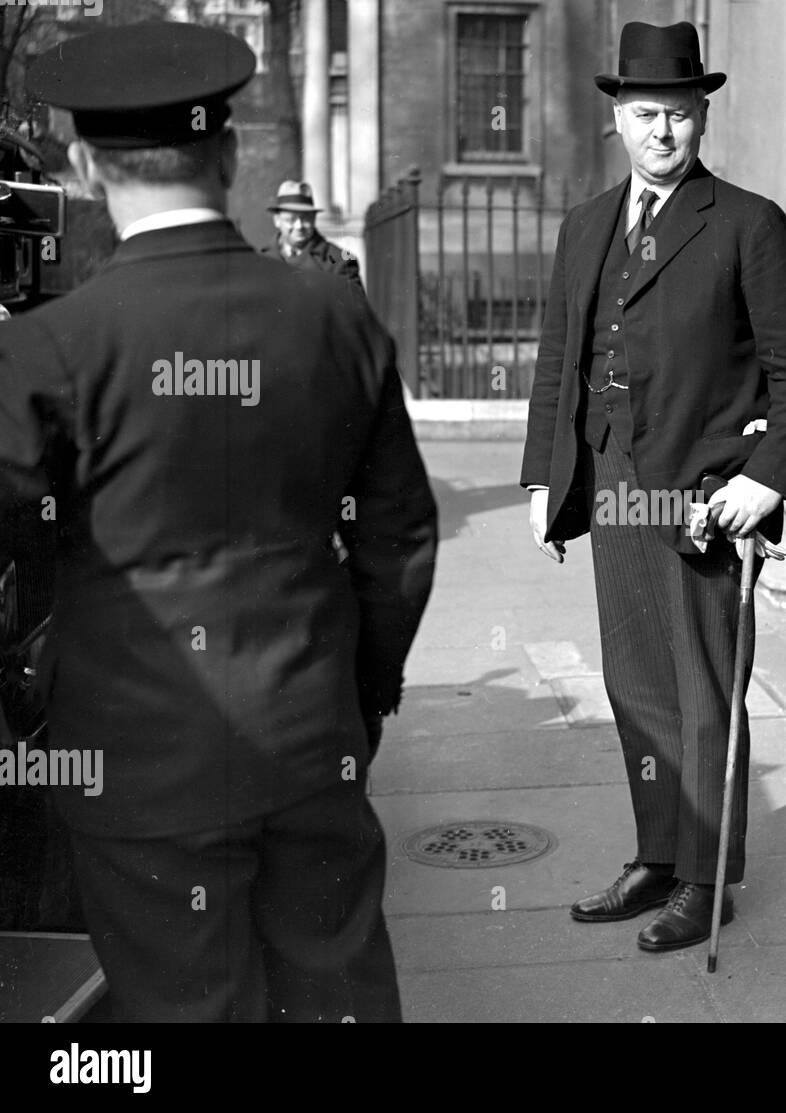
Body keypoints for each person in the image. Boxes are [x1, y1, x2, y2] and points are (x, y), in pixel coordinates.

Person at [0, 21, 437, 1020]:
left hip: (134, 757)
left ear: (81, 162)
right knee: (337, 996)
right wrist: (355, 696)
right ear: (231, 154)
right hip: (306, 726)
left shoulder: (49, 349)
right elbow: (400, 539)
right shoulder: (332, 319)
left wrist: (33, 702)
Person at [521, 20, 786, 952]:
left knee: (701, 687)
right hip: (611, 480)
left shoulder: (747, 224)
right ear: (618, 117)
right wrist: (545, 476)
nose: (664, 131)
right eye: (648, 112)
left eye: (682, 114)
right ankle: (659, 853)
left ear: (702, 119)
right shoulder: (585, 228)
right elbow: (556, 364)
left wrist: (767, 481)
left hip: (701, 491)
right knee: (635, 680)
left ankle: (706, 878)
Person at [263, 179, 364, 290]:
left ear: (314, 218)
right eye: (291, 219)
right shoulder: (261, 260)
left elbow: (354, 306)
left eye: (306, 218)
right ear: (277, 220)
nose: (299, 226)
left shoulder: (339, 261)